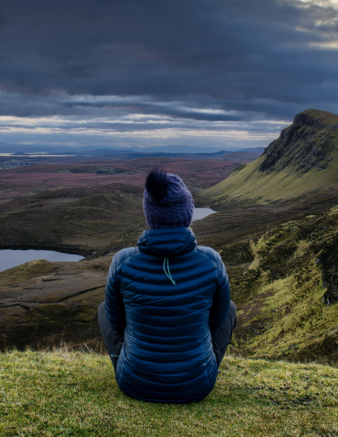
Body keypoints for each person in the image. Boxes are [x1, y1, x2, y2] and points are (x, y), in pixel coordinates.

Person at [98, 168, 236, 403]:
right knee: (229, 309)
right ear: (188, 213)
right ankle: (200, 366)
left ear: (149, 215)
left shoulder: (123, 261)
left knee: (104, 310)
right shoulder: (211, 260)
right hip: (197, 385)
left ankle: (130, 363)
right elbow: (216, 320)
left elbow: (116, 322)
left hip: (134, 383)